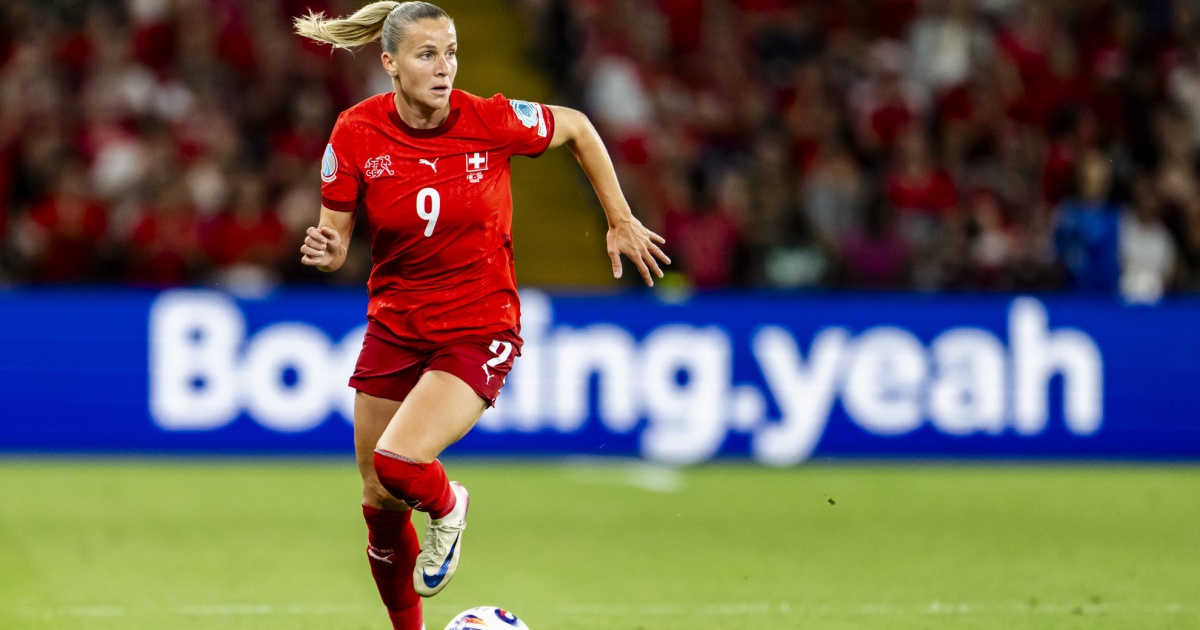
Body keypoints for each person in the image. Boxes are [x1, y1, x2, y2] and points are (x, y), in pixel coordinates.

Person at [292, 3, 670, 630]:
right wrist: (328, 249)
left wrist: (620, 217)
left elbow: (577, 126)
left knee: (399, 463)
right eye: (427, 55)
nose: (444, 68)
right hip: (395, 325)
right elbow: (335, 239)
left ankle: (450, 505)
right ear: (390, 64)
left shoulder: (490, 119)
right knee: (378, 499)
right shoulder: (355, 132)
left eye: (451, 53)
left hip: (477, 326)